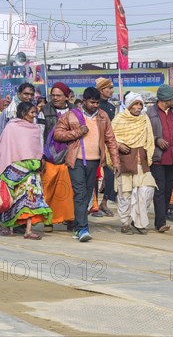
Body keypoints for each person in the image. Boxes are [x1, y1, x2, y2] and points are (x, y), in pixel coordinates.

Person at [54, 87, 121, 242]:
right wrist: (77, 133)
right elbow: (58, 133)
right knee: (79, 193)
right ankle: (83, 228)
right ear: (84, 101)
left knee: (88, 195)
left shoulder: (103, 116)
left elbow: (110, 140)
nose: (95, 105)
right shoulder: (71, 115)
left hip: (95, 161)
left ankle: (78, 226)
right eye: (92, 102)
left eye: (97, 102)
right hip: (75, 161)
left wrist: (115, 161)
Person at [0, 102, 52, 239]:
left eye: (34, 113)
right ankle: (5, 224)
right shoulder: (12, 127)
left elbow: (37, 148)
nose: (34, 116)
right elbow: (5, 148)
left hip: (32, 171)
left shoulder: (35, 128)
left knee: (31, 199)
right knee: (12, 198)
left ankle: (28, 230)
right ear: (23, 113)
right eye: (31, 113)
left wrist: (39, 162)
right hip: (14, 169)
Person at [111, 92, 156, 235]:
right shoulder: (119, 120)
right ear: (129, 106)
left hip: (141, 161)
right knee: (125, 193)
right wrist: (118, 145)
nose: (138, 107)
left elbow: (149, 140)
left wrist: (148, 156)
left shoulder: (144, 119)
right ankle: (125, 223)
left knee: (146, 190)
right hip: (124, 161)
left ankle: (140, 222)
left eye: (140, 104)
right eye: (135, 104)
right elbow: (110, 139)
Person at [37, 82, 76, 232]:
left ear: (67, 97)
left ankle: (71, 219)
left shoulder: (75, 111)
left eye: (58, 95)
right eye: (53, 95)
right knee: (48, 189)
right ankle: (48, 220)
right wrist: (40, 155)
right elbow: (40, 133)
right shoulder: (44, 111)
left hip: (70, 156)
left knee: (69, 189)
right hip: (50, 156)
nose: (55, 98)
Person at [148, 85, 173, 230]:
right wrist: (156, 139)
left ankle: (162, 218)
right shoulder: (150, 113)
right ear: (164, 99)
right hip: (158, 157)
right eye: (172, 99)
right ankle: (160, 222)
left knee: (169, 189)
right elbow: (145, 133)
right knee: (160, 189)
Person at [0, 83, 36, 165]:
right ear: (19, 94)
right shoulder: (8, 113)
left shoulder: (33, 112)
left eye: (32, 94)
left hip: (30, 156)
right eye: (26, 94)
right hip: (11, 156)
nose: (29, 97)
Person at [95, 77, 117, 218]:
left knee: (111, 175)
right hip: (94, 145)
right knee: (93, 176)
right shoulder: (95, 106)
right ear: (101, 90)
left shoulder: (111, 107)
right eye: (108, 88)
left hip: (107, 146)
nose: (111, 90)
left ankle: (104, 202)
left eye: (111, 88)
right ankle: (94, 205)